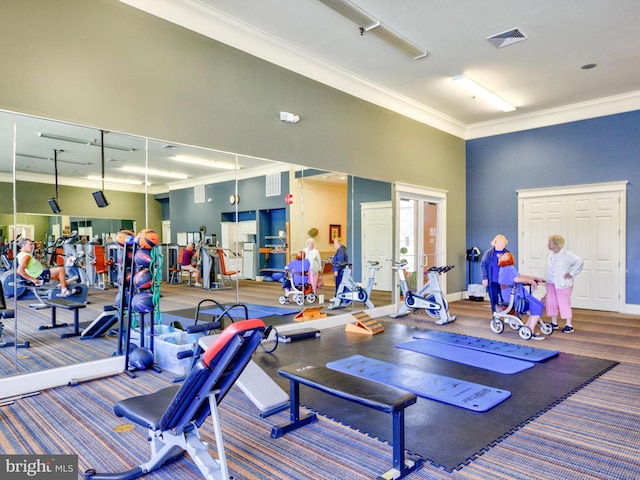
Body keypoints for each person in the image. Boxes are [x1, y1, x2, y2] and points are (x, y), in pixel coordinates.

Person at [498, 251, 547, 340]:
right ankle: (530, 330)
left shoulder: (505, 268)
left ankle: (527, 327)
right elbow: (517, 279)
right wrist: (530, 281)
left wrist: (534, 278)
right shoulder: (509, 268)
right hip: (515, 296)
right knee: (537, 306)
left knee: (538, 305)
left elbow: (520, 276)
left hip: (514, 295)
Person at [545, 234, 584, 333]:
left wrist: (571, 273)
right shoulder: (551, 255)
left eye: (549, 243)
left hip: (563, 284)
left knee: (564, 303)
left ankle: (568, 325)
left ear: (555, 244)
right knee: (552, 303)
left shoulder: (567, 255)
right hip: (551, 283)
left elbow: (580, 261)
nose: (547, 244)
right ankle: (554, 323)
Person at [481, 234, 510, 313]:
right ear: (495, 243)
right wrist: (485, 278)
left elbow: (510, 266)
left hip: (504, 281)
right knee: (494, 299)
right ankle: (496, 315)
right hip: (493, 281)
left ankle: (506, 314)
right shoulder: (489, 253)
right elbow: (483, 265)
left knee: (505, 299)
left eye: (503, 243)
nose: (501, 244)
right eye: (500, 242)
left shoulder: (507, 253)